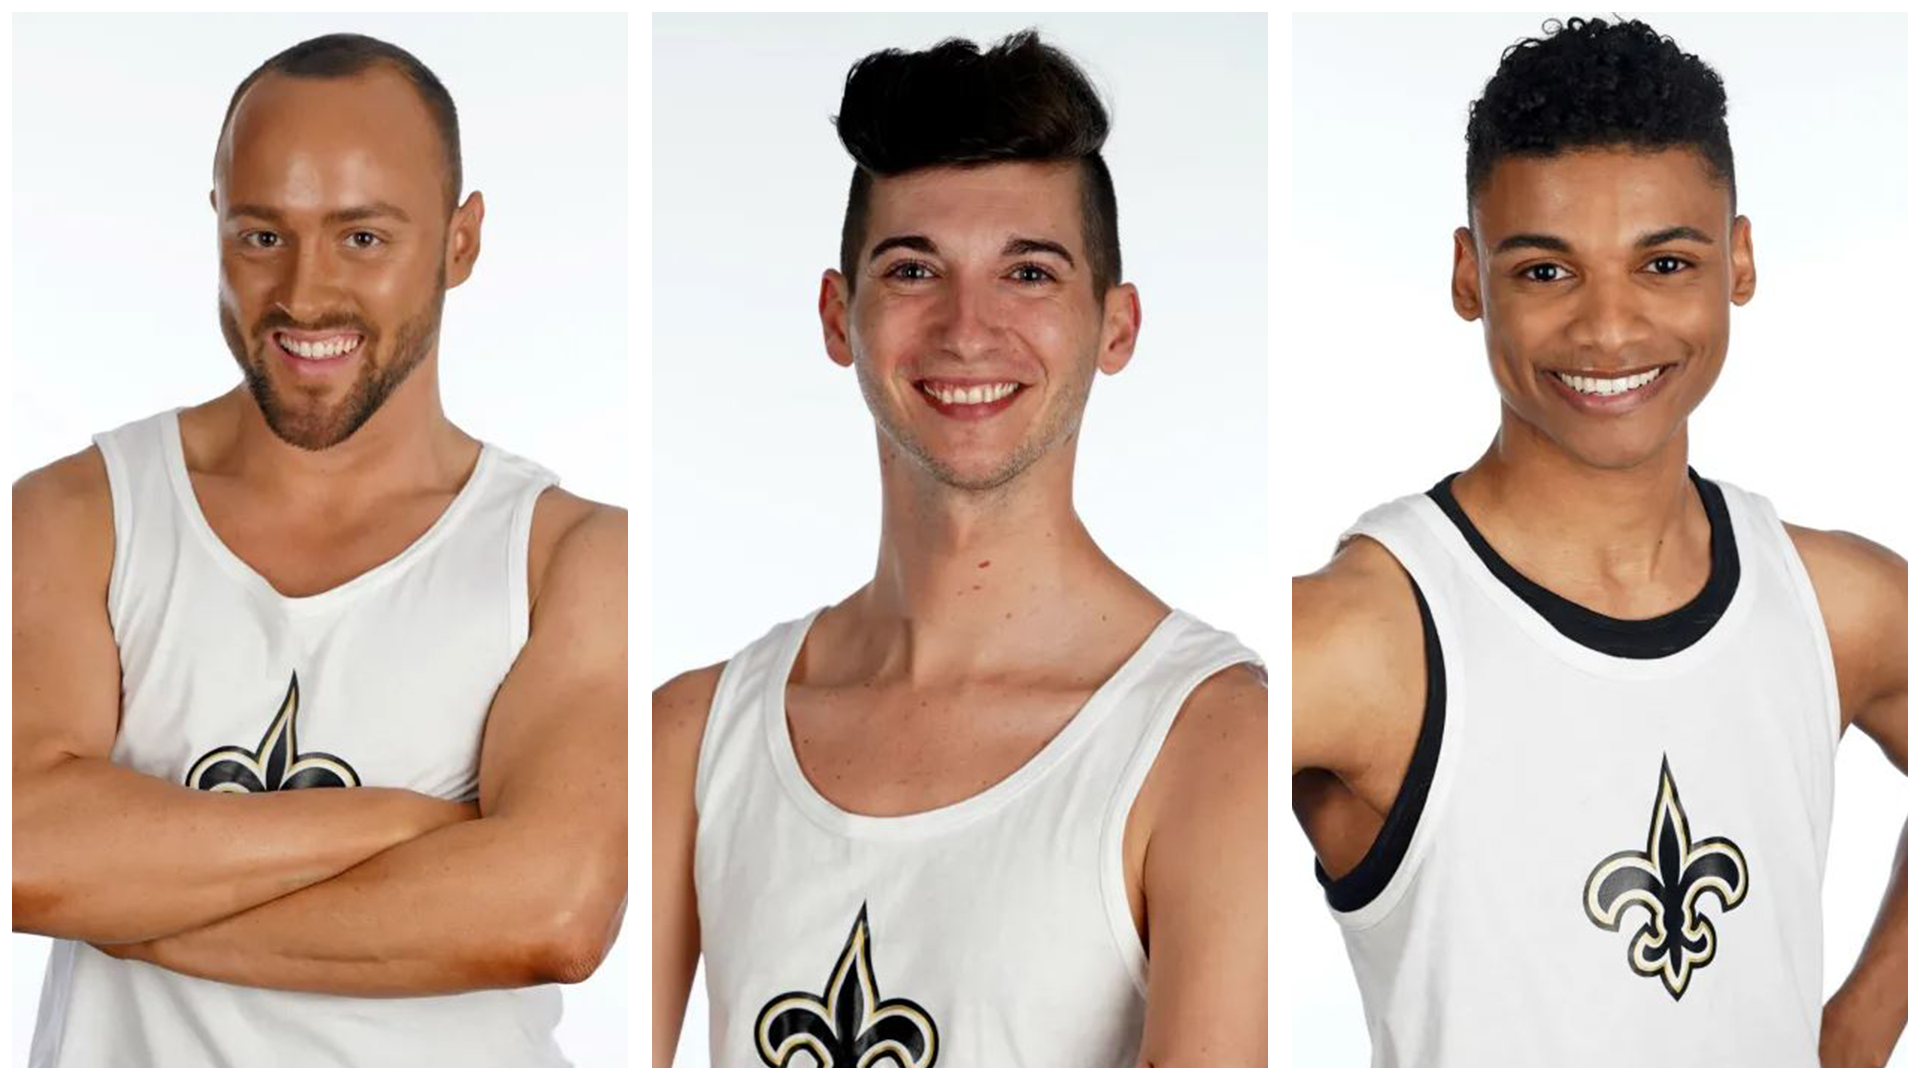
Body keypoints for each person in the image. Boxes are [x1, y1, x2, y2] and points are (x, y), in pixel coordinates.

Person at [1292, 16, 1906, 1067]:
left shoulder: (1834, 601)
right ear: (1467, 276)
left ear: (1739, 262)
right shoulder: (1371, 636)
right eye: (1544, 272)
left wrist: (1858, 1028)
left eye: (1664, 263)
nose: (1610, 330)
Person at [11, 32, 627, 1067]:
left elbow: (551, 913)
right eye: (262, 236)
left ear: (461, 242)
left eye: (363, 238)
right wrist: (407, 827)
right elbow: (22, 851)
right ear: (216, 223)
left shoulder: (567, 557)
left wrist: (127, 893)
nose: (304, 294)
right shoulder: (79, 516)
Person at [652, 30, 1266, 1068]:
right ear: (837, 316)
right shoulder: (693, 736)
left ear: (1115, 327)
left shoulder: (1213, 744)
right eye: (913, 269)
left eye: (1028, 272)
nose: (967, 328)